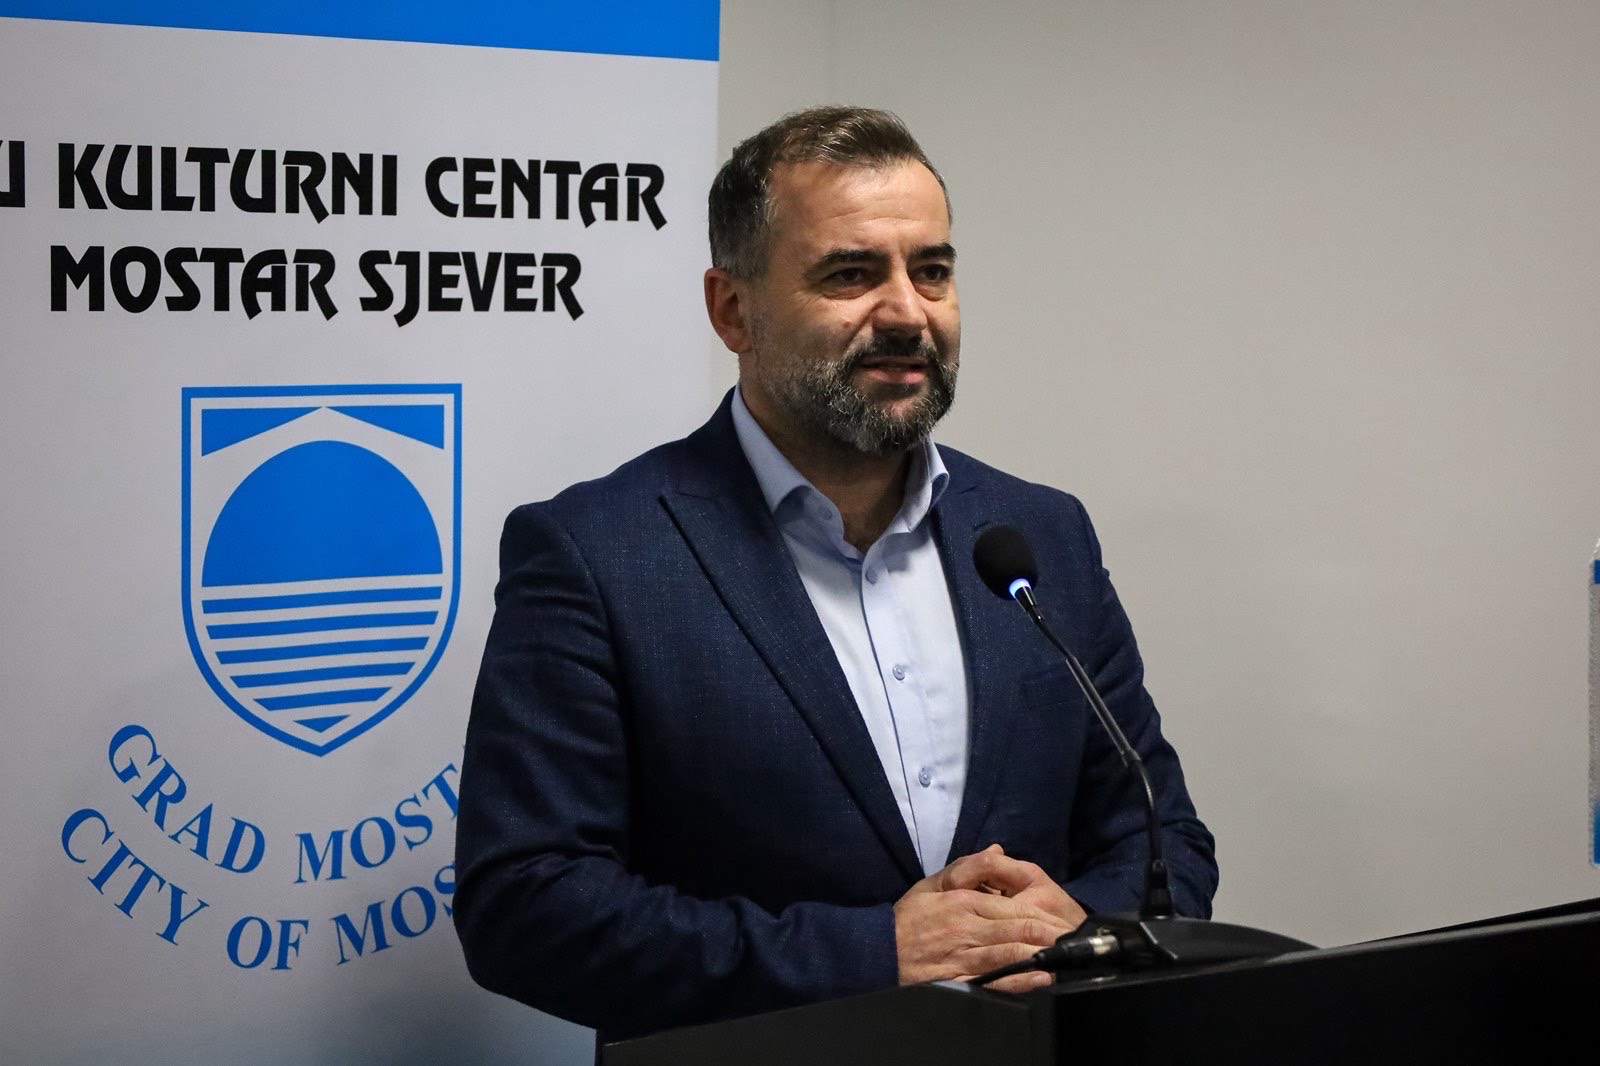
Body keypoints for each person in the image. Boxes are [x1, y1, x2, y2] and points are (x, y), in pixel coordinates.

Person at [453, 106, 1217, 1042]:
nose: (906, 313)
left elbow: (1165, 842)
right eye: (851, 274)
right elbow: (524, 907)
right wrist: (871, 956)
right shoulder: (597, 554)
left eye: (931, 271)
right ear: (732, 310)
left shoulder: (1039, 535)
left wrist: (1084, 933)